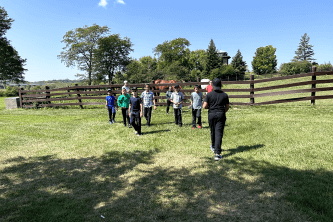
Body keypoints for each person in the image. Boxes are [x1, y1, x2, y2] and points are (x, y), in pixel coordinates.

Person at [203, 78, 229, 161]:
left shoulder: (209, 95)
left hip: (211, 114)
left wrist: (210, 108)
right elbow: (227, 107)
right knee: (219, 133)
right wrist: (222, 112)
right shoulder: (224, 95)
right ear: (221, 85)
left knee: (213, 131)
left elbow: (204, 106)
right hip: (221, 114)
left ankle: (213, 146)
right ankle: (217, 153)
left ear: (212, 85)